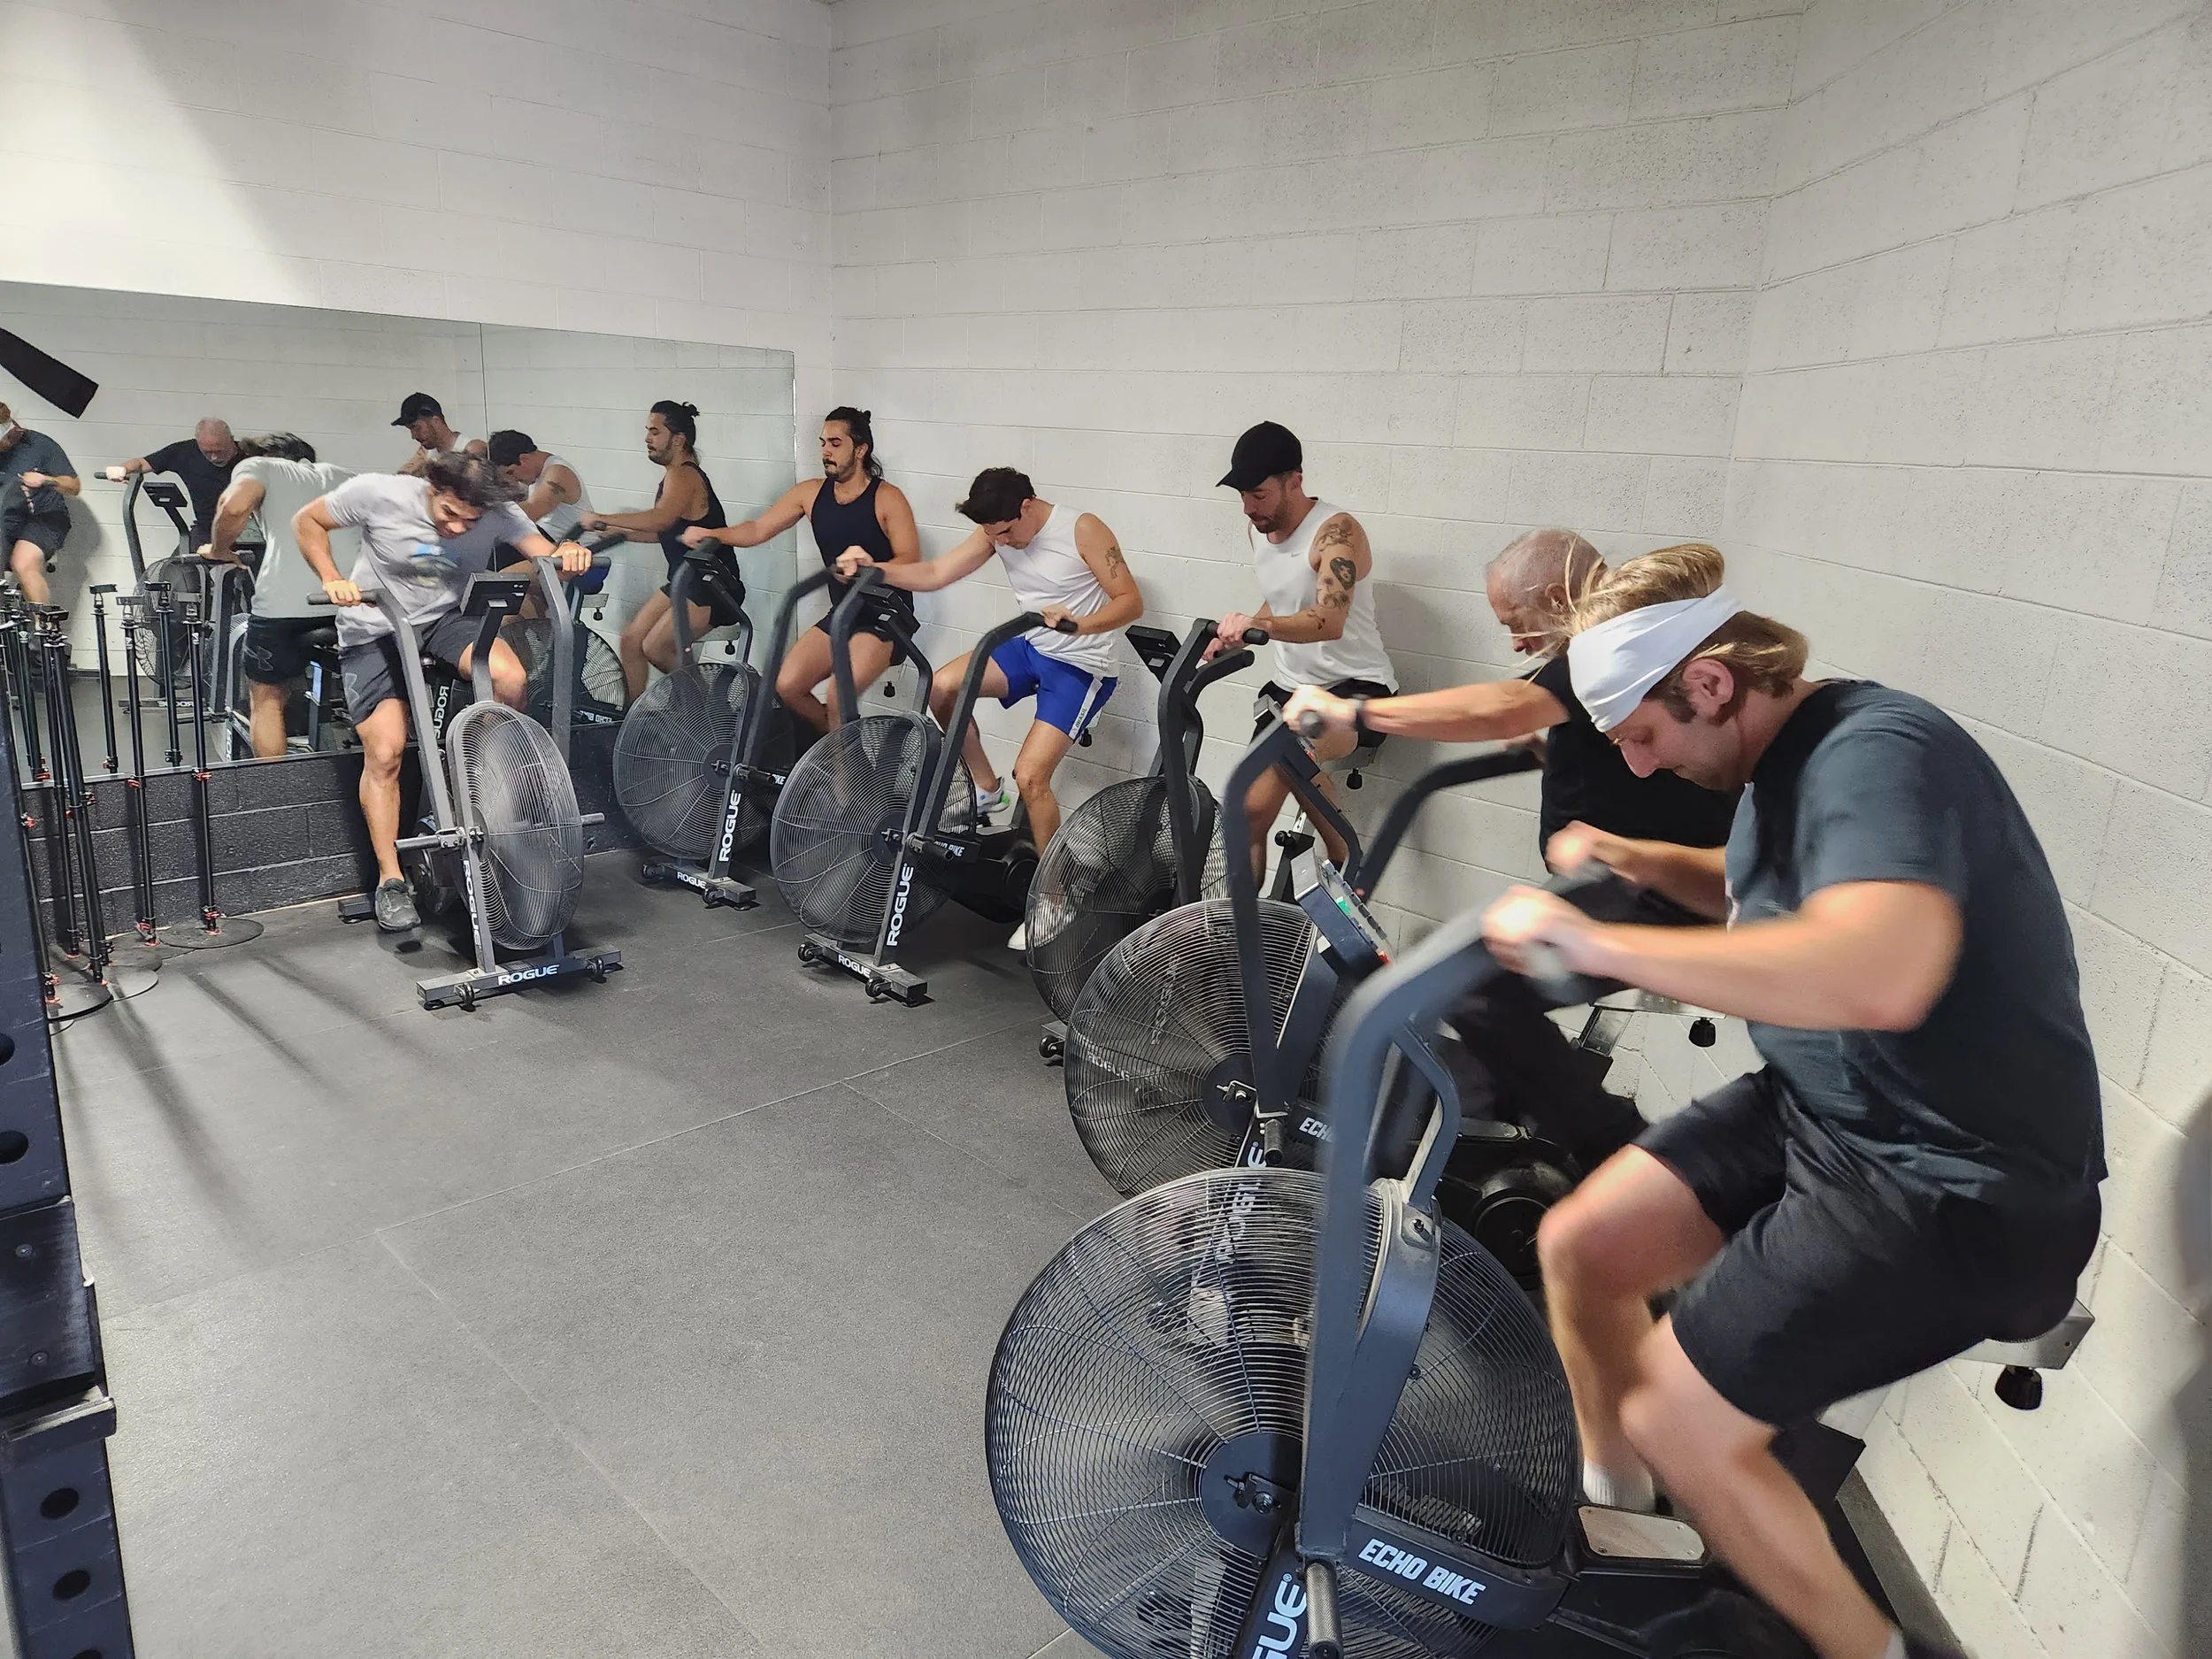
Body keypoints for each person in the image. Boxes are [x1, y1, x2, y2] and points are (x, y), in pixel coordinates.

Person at [1478, 543, 2104, 1659]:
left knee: (1678, 1418)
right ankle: (1622, 1546)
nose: (1641, 764)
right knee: (1582, 1247)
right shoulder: (1784, 759)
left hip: (1959, 1180)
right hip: (1831, 1115)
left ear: (1710, 682)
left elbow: (1878, 971)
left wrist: (1593, 942)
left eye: (1643, 736)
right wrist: (1639, 858)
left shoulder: (1879, 752)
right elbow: (1758, 888)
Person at [1286, 527, 1740, 1172]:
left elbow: (1504, 705)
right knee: (1455, 973)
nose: (1517, 642)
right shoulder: (1598, 653)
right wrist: (1557, 749)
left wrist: (1355, 713)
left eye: (1515, 623)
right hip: (1623, 879)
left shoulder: (1604, 642)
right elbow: (1559, 723)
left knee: (1473, 983)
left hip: (1660, 887)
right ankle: (1493, 1127)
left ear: (1555, 597)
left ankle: (1623, 1158)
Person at [833, 466, 1141, 939]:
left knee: (1031, 777)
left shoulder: (1082, 529)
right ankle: (985, 786)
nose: (1003, 543)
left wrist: (1078, 625)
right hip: (1031, 647)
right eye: (993, 536)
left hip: (1082, 665)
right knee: (942, 687)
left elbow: (1130, 601)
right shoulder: (996, 530)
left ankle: (1055, 899)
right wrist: (874, 568)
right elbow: (936, 573)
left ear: (1027, 506)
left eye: (1007, 532)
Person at [293, 454, 592, 932]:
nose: (456, 528)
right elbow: (307, 520)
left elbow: (546, 555)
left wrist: (569, 553)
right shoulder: (379, 491)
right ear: (432, 488)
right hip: (373, 625)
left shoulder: (498, 511)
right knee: (386, 754)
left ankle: (485, 780)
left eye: (469, 522)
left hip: (443, 621)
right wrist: (331, 577)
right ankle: (391, 881)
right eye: (449, 513)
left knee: (510, 678)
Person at [1210, 420, 1396, 877]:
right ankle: (1242, 920)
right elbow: (1281, 599)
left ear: (1294, 481)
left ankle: (1345, 864)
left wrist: (1261, 626)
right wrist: (1235, 636)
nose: (1249, 508)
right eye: (1242, 496)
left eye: (1259, 494)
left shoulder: (1337, 533)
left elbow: (1329, 620)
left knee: (1294, 753)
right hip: (1290, 689)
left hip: (1355, 689)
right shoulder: (1258, 530)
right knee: (1248, 813)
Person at [682, 406, 920, 736]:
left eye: (835, 443)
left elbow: (910, 560)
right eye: (823, 443)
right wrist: (712, 534)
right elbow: (757, 530)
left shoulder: (887, 498)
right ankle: (838, 749)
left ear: (860, 449)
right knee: (786, 685)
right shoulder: (810, 494)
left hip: (886, 617)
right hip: (844, 613)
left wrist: (871, 567)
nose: (825, 451)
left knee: (838, 695)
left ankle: (842, 766)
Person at [574, 401, 746, 703]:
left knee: (656, 647)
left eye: (655, 432)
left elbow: (661, 519)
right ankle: (632, 717)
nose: (647, 438)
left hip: (713, 585)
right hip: (684, 581)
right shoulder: (672, 477)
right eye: (648, 431)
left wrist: (604, 517)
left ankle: (705, 714)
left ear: (678, 440)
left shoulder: (684, 475)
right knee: (631, 641)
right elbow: (663, 532)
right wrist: (617, 532)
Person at [201, 434, 354, 759]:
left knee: (266, 697)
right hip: (351, 603)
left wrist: (219, 549)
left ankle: (274, 783)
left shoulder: (260, 466)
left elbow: (234, 506)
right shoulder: (348, 475)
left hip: (285, 611)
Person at [109, 418, 238, 545]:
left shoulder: (248, 457)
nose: (214, 457)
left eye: (219, 451)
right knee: (179, 559)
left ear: (231, 440)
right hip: (207, 531)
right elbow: (141, 464)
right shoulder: (185, 452)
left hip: (244, 530)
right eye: (208, 452)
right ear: (198, 443)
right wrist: (122, 469)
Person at [0, 403, 80, 607]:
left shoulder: (40, 445)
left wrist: (47, 479)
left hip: (42, 518)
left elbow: (74, 486)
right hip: (6, 518)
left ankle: (41, 623)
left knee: (23, 562)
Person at [488, 430, 593, 547]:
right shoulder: (534, 475)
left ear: (524, 459)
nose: (512, 479)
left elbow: (532, 510)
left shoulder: (558, 473)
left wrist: (485, 518)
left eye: (510, 472)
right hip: (555, 545)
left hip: (580, 550)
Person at [392, 393, 484, 476]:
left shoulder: (472, 448)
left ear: (435, 421)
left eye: (416, 427)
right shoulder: (425, 452)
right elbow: (402, 477)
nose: (413, 436)